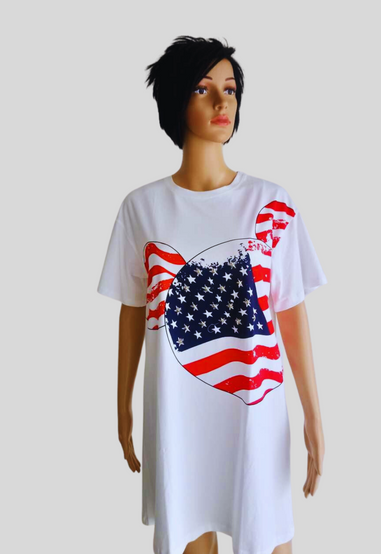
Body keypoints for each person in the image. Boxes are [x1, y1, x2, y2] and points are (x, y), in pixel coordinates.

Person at [97, 35, 327, 554]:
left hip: (254, 413)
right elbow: (133, 310)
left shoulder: (270, 203)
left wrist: (313, 414)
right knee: (190, 537)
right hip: (176, 413)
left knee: (267, 536)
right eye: (203, 89)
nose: (223, 102)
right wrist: (123, 406)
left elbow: (289, 311)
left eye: (230, 89)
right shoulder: (142, 208)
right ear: (176, 100)